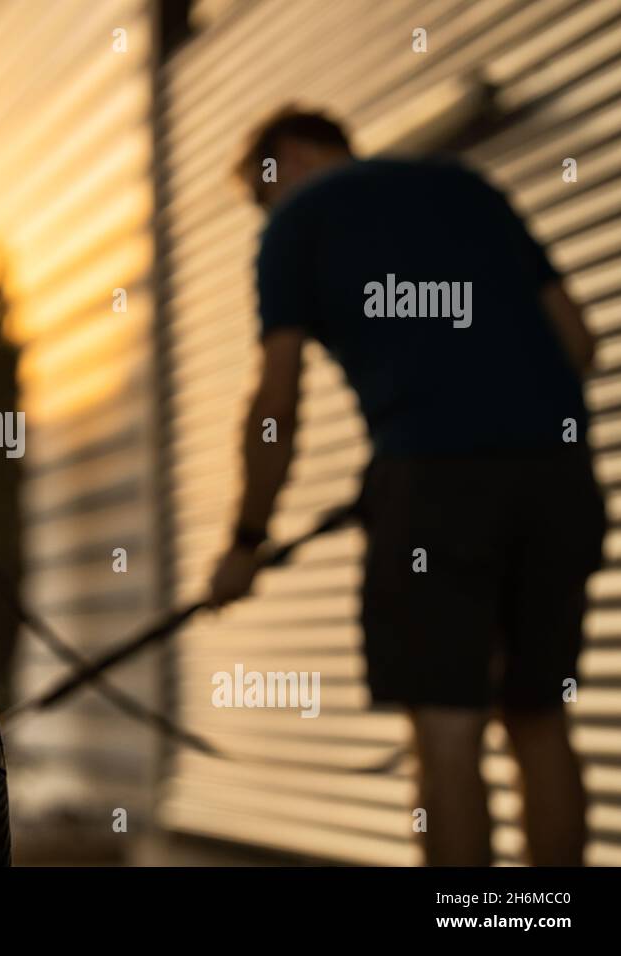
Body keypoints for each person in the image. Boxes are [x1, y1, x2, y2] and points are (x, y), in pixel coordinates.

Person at [208, 107, 606, 866]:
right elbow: (579, 343)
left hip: (433, 487)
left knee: (447, 730)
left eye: (265, 190)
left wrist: (245, 540)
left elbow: (276, 402)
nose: (268, 207)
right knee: (537, 715)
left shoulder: (296, 221)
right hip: (557, 479)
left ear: (288, 157)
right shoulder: (467, 187)